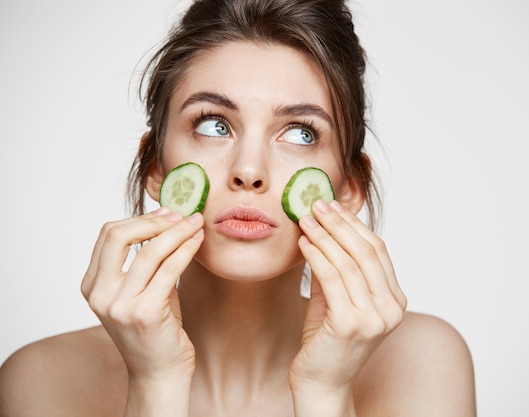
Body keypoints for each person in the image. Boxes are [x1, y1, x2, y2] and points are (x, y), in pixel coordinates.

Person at [0, 0, 476, 415]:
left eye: (301, 133)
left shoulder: (424, 362)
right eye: (213, 125)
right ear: (156, 168)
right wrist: (156, 384)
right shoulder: (41, 379)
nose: (249, 170)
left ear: (348, 188)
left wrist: (325, 393)